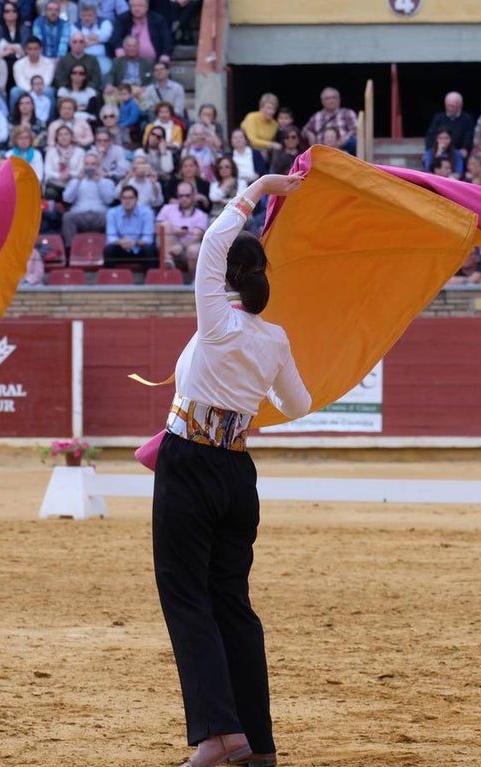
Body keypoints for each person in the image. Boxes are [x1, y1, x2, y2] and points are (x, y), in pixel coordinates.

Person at [152, 172, 309, 767]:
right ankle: (258, 744)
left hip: (190, 465)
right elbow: (297, 405)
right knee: (232, 605)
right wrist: (255, 381)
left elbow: (215, 238)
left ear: (223, 281)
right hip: (237, 474)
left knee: (186, 598)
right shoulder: (275, 339)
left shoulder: (216, 321)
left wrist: (260, 188)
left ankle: (220, 735)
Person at [61, 151, 116, 248]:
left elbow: (109, 200)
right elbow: (67, 199)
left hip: (100, 216)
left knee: (111, 216)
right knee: (67, 217)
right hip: (80, 215)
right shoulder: (75, 181)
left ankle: (110, 249)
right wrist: (78, 180)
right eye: (87, 164)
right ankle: (70, 250)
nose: (89, 167)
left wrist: (99, 181)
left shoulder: (107, 182)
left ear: (98, 166)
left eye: (93, 164)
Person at [157, 180, 209, 274]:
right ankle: (168, 262)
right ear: (177, 195)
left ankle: (194, 283)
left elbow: (196, 236)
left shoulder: (201, 215)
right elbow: (157, 228)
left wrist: (181, 246)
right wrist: (174, 230)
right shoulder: (167, 209)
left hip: (189, 245)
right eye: (181, 196)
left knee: (194, 250)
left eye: (187, 195)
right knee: (165, 225)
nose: (184, 198)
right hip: (169, 242)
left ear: (193, 195)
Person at [103, 183, 156, 267]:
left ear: (136, 199)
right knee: (109, 249)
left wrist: (135, 243)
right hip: (121, 248)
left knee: (149, 249)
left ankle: (151, 279)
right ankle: (110, 278)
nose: (127, 201)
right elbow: (111, 238)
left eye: (131, 198)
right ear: (120, 200)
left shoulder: (147, 213)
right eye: (124, 198)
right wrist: (121, 242)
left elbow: (148, 238)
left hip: (139, 248)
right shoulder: (112, 213)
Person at [423, 91, 474, 158]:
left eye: (453, 106)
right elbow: (430, 135)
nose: (450, 108)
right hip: (440, 149)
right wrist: (429, 150)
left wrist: (465, 148)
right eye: (448, 106)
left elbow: (469, 135)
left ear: (460, 105)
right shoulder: (438, 118)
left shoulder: (467, 118)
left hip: (459, 151)